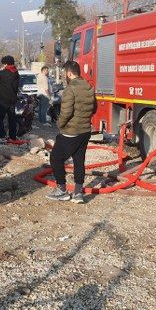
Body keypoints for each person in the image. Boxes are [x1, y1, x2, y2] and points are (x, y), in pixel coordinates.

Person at [45, 61, 96, 204]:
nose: (63, 76)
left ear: (69, 73)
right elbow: (94, 108)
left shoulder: (70, 89)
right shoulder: (89, 87)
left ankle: (62, 190)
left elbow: (66, 112)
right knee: (79, 161)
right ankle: (78, 194)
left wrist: (60, 124)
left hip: (71, 131)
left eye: (64, 73)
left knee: (55, 158)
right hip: (85, 130)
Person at [0, 55, 20, 142]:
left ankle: (2, 136)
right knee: (12, 119)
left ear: (5, 64)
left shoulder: (2, 73)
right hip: (12, 100)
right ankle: (13, 136)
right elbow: (16, 87)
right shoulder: (16, 73)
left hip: (2, 100)